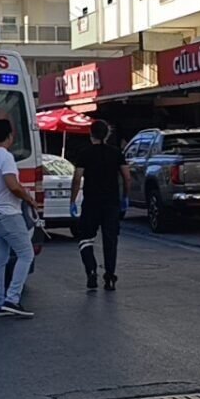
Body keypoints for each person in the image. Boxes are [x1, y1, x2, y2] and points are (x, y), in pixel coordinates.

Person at [0, 119, 37, 318]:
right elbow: (12, 184)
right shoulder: (5, 156)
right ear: (10, 136)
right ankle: (12, 299)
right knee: (26, 254)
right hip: (8, 214)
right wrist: (28, 198)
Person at [70, 119, 131, 292]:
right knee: (110, 240)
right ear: (107, 134)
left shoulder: (84, 153)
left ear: (91, 134)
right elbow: (127, 177)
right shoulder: (116, 153)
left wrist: (72, 200)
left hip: (91, 202)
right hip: (111, 203)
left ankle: (91, 270)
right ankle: (110, 277)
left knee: (85, 238)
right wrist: (125, 197)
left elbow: (77, 178)